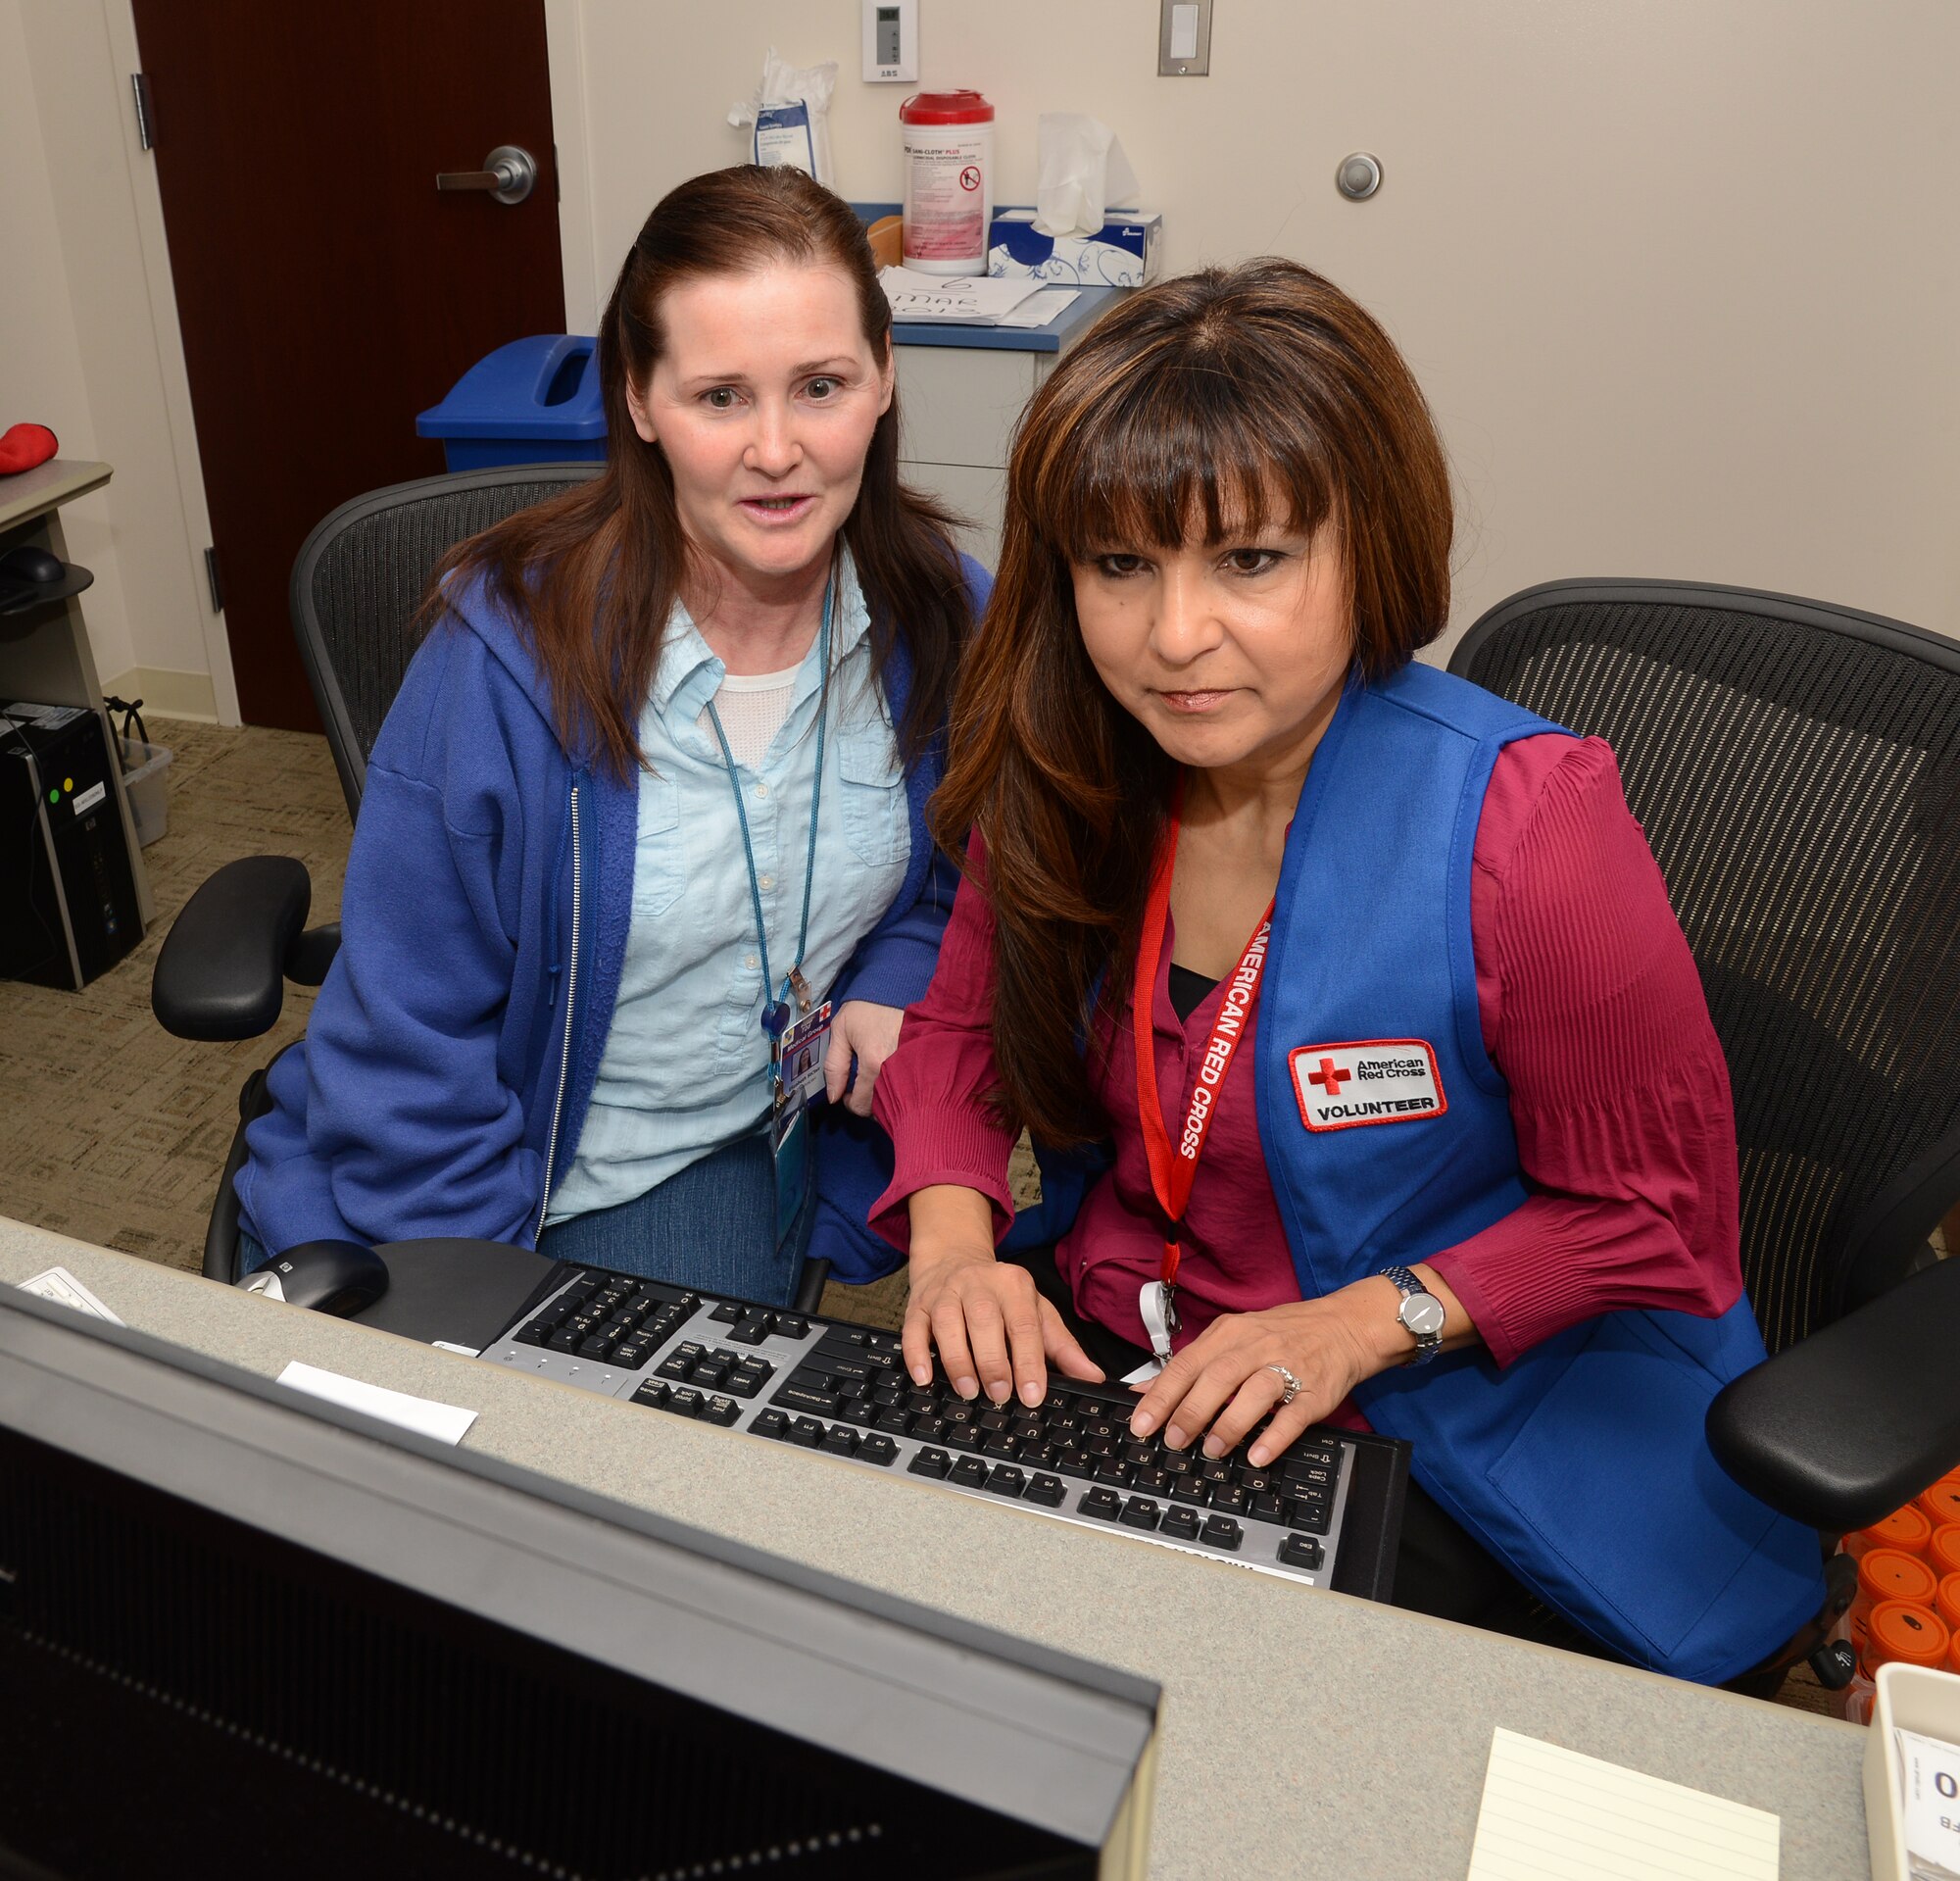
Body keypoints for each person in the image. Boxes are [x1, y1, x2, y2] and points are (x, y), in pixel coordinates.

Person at [868, 259, 1827, 1683]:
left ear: (1364, 546)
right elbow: (956, 1034)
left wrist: (1367, 1320)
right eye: (1120, 565)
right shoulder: (1070, 766)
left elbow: (1653, 1214)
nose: (1175, 636)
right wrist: (953, 1246)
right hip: (1147, 1349)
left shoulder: (1529, 820)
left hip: (1449, 1410)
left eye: (1248, 560)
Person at [236, 166, 985, 1304]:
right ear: (638, 400)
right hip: (466, 1169)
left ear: (883, 379)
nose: (776, 450)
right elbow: (410, 1040)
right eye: (720, 396)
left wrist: (894, 971)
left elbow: (961, 877)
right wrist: (491, 1307)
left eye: (820, 385)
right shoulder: (505, 657)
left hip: (701, 1149)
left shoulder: (941, 613)